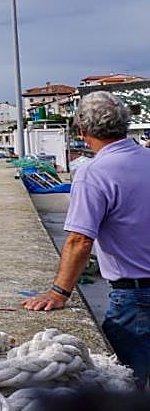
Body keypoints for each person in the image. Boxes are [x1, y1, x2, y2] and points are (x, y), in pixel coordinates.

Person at [24, 91, 150, 387]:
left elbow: (80, 241)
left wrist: (59, 293)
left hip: (135, 298)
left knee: (124, 390)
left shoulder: (94, 173)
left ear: (81, 131)